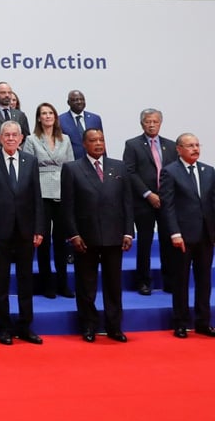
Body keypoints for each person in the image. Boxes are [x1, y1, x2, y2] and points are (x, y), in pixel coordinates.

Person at [61, 129, 133, 343]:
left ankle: (114, 327)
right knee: (86, 285)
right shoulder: (72, 169)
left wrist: (128, 231)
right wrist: (73, 234)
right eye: (93, 140)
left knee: (113, 285)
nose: (98, 144)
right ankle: (89, 326)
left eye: (101, 140)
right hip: (86, 237)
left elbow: (127, 203)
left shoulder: (119, 167)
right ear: (84, 144)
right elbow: (68, 207)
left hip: (114, 236)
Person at [0, 121, 45, 345]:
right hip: (0, 232)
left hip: (26, 231)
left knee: (26, 282)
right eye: (6, 135)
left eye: (14, 135)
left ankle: (26, 326)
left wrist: (38, 228)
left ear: (21, 138)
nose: (10, 138)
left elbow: (37, 197)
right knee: (2, 283)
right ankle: (4, 328)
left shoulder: (30, 161)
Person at [159, 133, 215, 338]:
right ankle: (181, 323)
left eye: (197, 145)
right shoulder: (170, 172)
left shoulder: (208, 171)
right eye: (190, 145)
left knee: (204, 281)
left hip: (206, 236)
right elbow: (168, 206)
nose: (195, 149)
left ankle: (203, 322)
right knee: (181, 281)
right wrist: (174, 233)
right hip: (182, 236)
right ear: (179, 149)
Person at [22, 102, 75, 298]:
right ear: (38, 118)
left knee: (61, 241)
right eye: (43, 113)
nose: (47, 116)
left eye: (50, 113)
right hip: (41, 192)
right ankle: (47, 285)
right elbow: (27, 167)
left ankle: (63, 283)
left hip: (62, 193)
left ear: (55, 117)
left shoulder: (66, 139)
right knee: (43, 242)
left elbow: (70, 167)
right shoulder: (31, 139)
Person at [122, 109, 176, 296]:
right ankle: (143, 282)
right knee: (144, 243)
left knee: (168, 242)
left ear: (160, 123)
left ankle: (169, 281)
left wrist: (165, 195)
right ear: (141, 123)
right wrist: (148, 194)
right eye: (147, 121)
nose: (151, 124)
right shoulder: (132, 145)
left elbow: (175, 172)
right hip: (143, 202)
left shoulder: (171, 145)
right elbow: (130, 172)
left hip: (166, 201)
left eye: (155, 121)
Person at [58, 89, 103, 160]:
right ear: (68, 102)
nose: (79, 102)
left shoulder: (95, 118)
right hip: (73, 162)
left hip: (94, 161)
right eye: (75, 100)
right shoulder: (60, 120)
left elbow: (101, 141)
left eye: (82, 99)